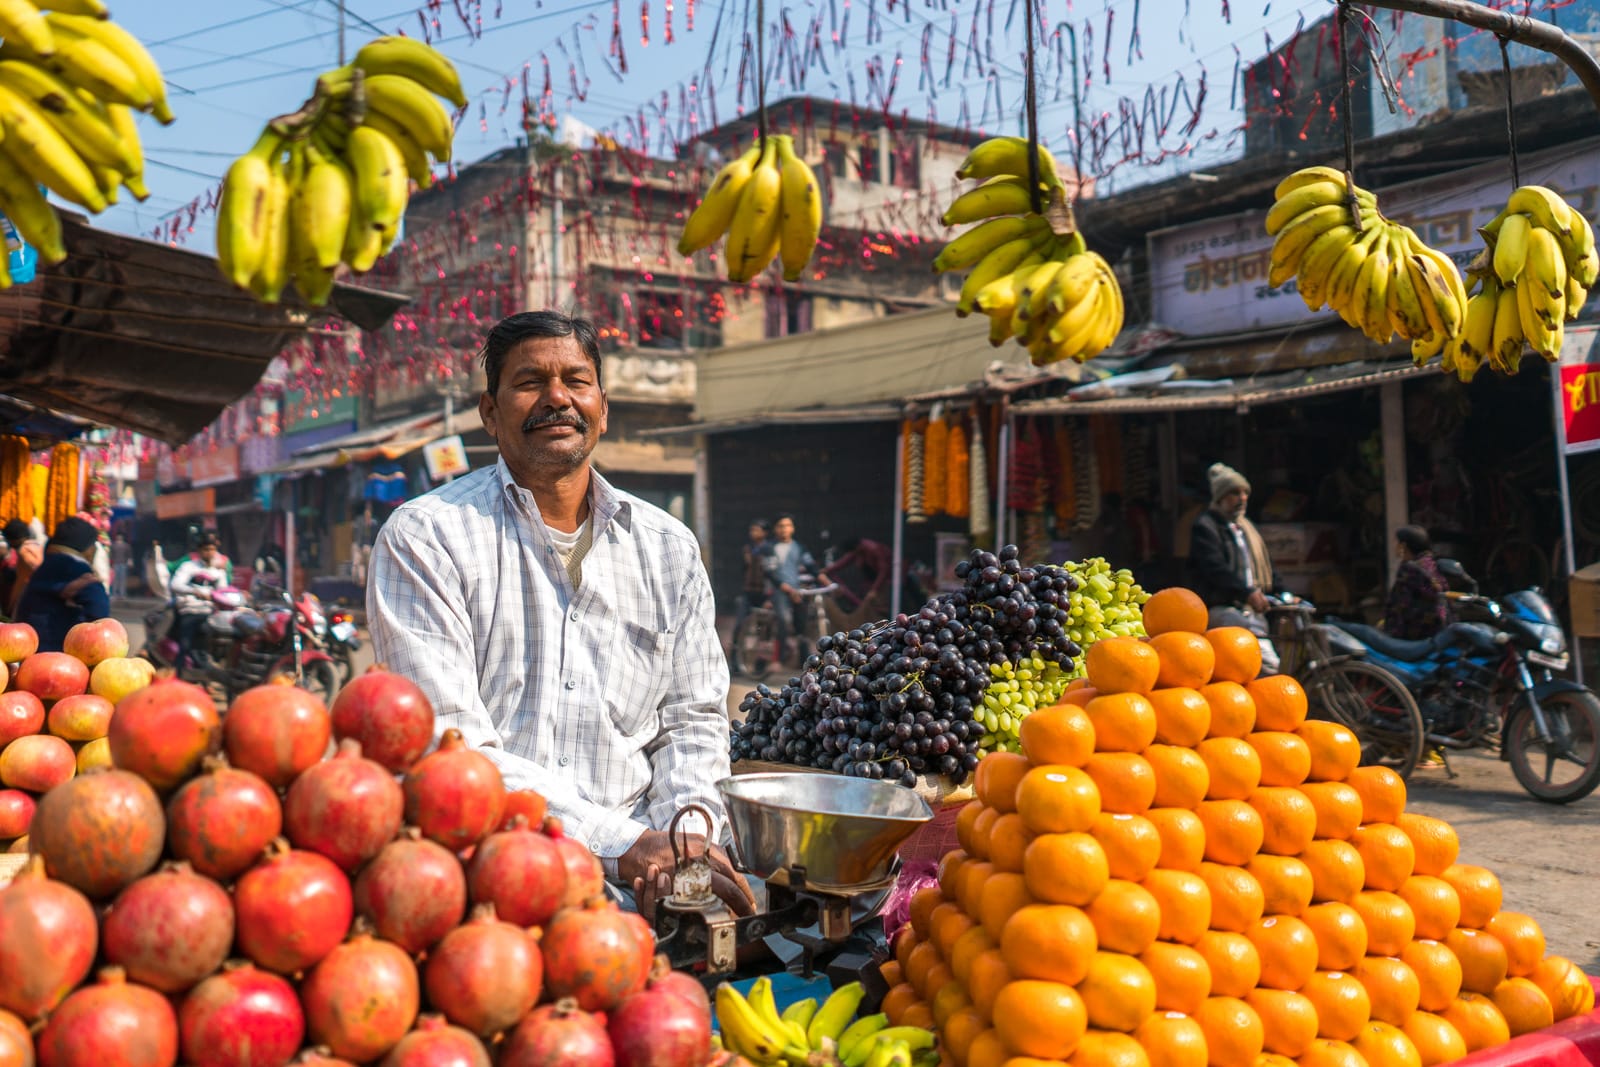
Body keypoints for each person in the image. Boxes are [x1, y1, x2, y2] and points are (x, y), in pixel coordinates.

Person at [367, 310, 754, 920]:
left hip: (650, 884)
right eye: (529, 382)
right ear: (490, 413)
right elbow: (451, 742)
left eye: (576, 380)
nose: (557, 398)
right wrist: (621, 844)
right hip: (489, 885)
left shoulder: (667, 547)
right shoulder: (426, 537)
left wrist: (688, 834)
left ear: (603, 406)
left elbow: (693, 722)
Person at [1188, 462, 1285, 672]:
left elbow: (1267, 566)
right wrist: (1246, 592)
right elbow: (1215, 569)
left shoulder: (1246, 528)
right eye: (1234, 493)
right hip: (1224, 608)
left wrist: (1283, 591)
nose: (1242, 498)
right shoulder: (1206, 526)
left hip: (1253, 610)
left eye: (1244, 493)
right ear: (1220, 498)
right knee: (1268, 666)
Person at [13, 517, 110, 652]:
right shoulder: (76, 568)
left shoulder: (45, 566)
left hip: (29, 645)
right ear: (88, 548)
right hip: (60, 649)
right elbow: (99, 608)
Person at [169, 532, 229, 673]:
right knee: (185, 645)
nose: (210, 553)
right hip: (191, 611)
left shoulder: (218, 571)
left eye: (212, 549)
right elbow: (175, 585)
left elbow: (223, 591)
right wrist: (195, 591)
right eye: (206, 549)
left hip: (210, 613)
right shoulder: (188, 567)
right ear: (200, 551)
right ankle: (178, 675)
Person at [762, 514, 818, 664]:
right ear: (775, 529)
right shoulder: (769, 548)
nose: (784, 529)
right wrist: (785, 587)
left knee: (803, 623)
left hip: (796, 590)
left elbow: (810, 565)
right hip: (778, 590)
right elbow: (770, 572)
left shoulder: (799, 547)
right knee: (783, 620)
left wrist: (823, 578)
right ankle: (778, 660)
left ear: (792, 528)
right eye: (780, 526)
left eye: (787, 526)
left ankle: (804, 660)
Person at [1383, 525, 1449, 640]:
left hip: (1415, 634)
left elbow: (1400, 605)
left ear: (1403, 546)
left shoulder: (1409, 569)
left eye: (1397, 542)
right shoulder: (1432, 563)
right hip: (1439, 629)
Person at [728, 518, 771, 676]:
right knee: (739, 625)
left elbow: (771, 575)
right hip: (748, 592)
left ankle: (761, 665)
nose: (754, 533)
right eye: (752, 530)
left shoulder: (769, 549)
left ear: (765, 533)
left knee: (764, 631)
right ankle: (735, 663)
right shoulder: (747, 549)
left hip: (764, 594)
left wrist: (769, 598)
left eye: (757, 530)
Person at [0, 519, 42, 619]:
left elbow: (25, 580)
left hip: (27, 600)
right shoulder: (36, 546)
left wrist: (11, 606)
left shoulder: (25, 552)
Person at [110, 532, 132, 598]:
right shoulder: (114, 545)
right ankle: (115, 593)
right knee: (116, 579)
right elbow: (111, 555)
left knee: (122, 579)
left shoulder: (126, 545)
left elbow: (129, 555)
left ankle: (122, 593)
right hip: (116, 563)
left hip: (123, 563)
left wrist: (130, 561)